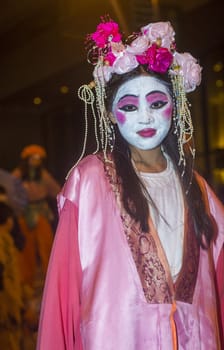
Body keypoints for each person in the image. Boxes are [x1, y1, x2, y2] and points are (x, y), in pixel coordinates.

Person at [37, 19, 224, 349]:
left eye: (156, 103)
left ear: (175, 105)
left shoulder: (198, 189)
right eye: (128, 106)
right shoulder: (89, 182)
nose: (146, 117)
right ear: (110, 113)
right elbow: (62, 292)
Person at [12, 144, 61, 349]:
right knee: (27, 253)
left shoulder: (44, 176)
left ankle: (49, 281)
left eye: (39, 158)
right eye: (33, 158)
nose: (36, 161)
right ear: (26, 159)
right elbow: (11, 194)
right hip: (25, 215)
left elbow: (56, 190)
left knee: (47, 246)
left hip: (40, 214)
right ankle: (28, 283)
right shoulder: (17, 176)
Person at [0, 202, 23, 350]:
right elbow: (3, 280)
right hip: (5, 312)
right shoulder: (3, 242)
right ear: (8, 220)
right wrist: (15, 309)